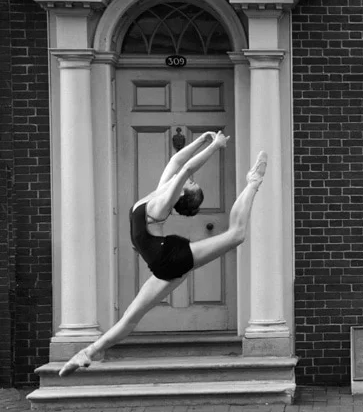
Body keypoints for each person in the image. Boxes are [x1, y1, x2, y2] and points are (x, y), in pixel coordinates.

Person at [59, 131, 267, 376]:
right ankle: (87, 353)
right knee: (130, 318)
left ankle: (253, 181)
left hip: (170, 257)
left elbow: (187, 168)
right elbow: (177, 162)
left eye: (191, 185)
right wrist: (202, 140)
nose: (190, 180)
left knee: (236, 235)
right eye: (192, 182)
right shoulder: (160, 193)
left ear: (184, 193)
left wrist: (216, 147)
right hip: (162, 264)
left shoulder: (161, 204)